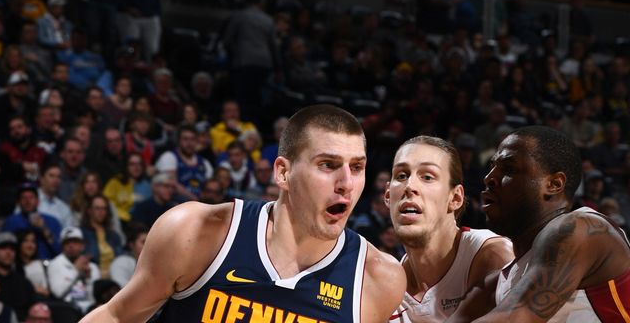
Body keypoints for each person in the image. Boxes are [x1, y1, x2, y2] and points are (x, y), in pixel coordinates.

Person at [81, 104, 406, 322]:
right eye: (328, 165)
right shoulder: (198, 232)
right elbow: (117, 317)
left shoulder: (377, 280)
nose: (346, 183)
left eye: (357, 167)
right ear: (282, 173)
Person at [447, 126, 630, 322]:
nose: (489, 178)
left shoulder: (582, 228)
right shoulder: (498, 282)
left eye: (509, 169)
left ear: (554, 184)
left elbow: (515, 319)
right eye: (491, 167)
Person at [385, 136, 513, 322]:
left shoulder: (492, 255)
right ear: (388, 196)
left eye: (427, 177)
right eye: (402, 176)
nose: (409, 186)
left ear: (455, 198)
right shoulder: (385, 285)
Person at [47, 227, 99, 314]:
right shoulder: (55, 264)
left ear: (82, 246)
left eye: (75, 242)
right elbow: (58, 293)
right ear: (62, 247)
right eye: (67, 243)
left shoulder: (92, 267)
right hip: (67, 309)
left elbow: (94, 298)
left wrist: (88, 279)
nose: (71, 245)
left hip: (90, 309)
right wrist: (75, 270)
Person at [108, 223, 148, 288]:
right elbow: (121, 289)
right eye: (143, 242)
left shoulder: (153, 262)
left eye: (149, 242)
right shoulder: (120, 263)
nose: (148, 245)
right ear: (131, 244)